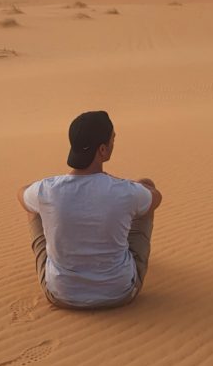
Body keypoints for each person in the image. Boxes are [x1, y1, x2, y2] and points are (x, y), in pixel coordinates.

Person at [17, 110, 163, 309]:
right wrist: (123, 189)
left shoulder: (48, 189)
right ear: (102, 150)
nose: (114, 144)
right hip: (120, 293)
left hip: (61, 294)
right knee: (146, 187)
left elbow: (21, 193)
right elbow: (156, 198)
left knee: (32, 204)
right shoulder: (125, 191)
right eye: (113, 139)